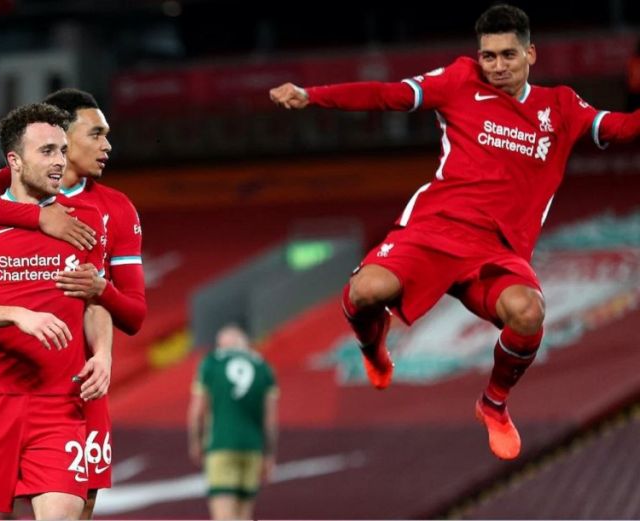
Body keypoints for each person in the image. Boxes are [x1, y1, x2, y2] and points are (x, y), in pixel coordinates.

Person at [270, 4, 640, 460]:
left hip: (496, 251)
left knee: (528, 314)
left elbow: (622, 128)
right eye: (489, 56)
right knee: (365, 291)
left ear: (531, 54)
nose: (497, 66)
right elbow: (388, 95)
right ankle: (373, 345)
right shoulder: (460, 80)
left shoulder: (560, 107)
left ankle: (494, 404)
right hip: (434, 230)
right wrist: (311, 95)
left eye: (508, 55)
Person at [0, 88, 147, 517]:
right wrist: (18, 315)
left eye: (62, 151)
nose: (58, 161)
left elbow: (94, 299)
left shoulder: (86, 219)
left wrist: (103, 352)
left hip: (60, 400)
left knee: (70, 510)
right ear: (14, 161)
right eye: (47, 151)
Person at [188, 324, 279, 521]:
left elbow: (197, 412)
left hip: (221, 445)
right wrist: (269, 453)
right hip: (253, 449)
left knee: (223, 515)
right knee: (244, 515)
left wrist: (196, 441)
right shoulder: (264, 368)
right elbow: (270, 420)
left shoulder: (211, 363)